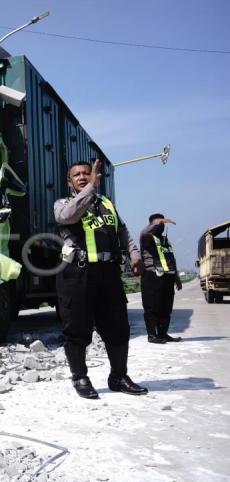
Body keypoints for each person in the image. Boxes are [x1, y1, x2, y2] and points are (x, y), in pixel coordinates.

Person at [54, 159, 148, 399]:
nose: (83, 177)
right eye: (77, 175)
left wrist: (135, 254)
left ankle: (119, 376)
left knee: (117, 327)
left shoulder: (107, 203)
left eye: (87, 173)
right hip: (77, 273)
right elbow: (68, 216)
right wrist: (90, 189)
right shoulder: (63, 203)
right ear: (70, 181)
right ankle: (80, 378)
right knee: (76, 329)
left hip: (109, 273)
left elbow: (122, 230)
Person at [139, 214, 182, 343]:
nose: (161, 226)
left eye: (162, 224)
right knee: (152, 308)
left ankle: (163, 334)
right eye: (157, 223)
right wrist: (160, 221)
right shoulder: (146, 238)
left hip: (167, 278)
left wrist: (177, 278)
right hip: (152, 277)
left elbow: (171, 260)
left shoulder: (165, 241)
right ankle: (152, 336)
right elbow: (145, 232)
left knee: (166, 309)